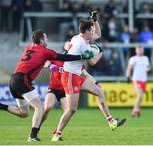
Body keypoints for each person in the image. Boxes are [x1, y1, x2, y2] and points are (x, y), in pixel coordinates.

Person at [0, 30, 93, 142]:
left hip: (14, 79)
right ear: (41, 40)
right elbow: (62, 57)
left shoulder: (29, 47)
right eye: (45, 38)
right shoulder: (45, 52)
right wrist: (81, 56)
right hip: (23, 80)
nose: (47, 40)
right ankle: (32, 136)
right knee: (39, 107)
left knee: (24, 113)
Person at [52, 11, 126, 141]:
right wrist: (100, 53)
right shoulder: (82, 44)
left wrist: (94, 20)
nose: (93, 33)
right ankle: (57, 134)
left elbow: (98, 34)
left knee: (99, 91)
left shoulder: (79, 37)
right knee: (72, 109)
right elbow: (92, 62)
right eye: (91, 31)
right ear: (86, 32)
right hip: (69, 76)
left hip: (77, 74)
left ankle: (111, 121)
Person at [126, 45, 150, 117]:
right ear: (136, 51)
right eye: (139, 50)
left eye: (141, 49)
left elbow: (147, 68)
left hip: (144, 80)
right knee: (139, 95)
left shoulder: (146, 58)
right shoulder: (133, 59)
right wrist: (128, 76)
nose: (140, 51)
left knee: (141, 97)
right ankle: (135, 111)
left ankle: (138, 110)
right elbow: (129, 68)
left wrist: (148, 68)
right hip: (136, 79)